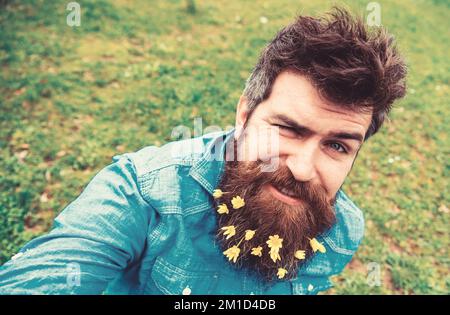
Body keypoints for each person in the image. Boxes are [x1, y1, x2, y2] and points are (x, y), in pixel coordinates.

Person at [0, 7, 406, 295]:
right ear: (244, 115)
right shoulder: (144, 194)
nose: (303, 169)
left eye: (337, 145)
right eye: (287, 129)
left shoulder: (341, 233)